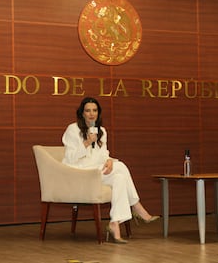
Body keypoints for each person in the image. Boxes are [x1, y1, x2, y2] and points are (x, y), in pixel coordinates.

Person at [62, 97, 159, 244]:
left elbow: (103, 154)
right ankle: (137, 207)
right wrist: (87, 142)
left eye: (94, 110)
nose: (91, 114)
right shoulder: (72, 129)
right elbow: (70, 158)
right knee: (121, 166)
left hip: (97, 170)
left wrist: (108, 160)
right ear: (82, 113)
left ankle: (115, 223)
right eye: (87, 111)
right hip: (80, 171)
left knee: (119, 177)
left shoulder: (101, 131)